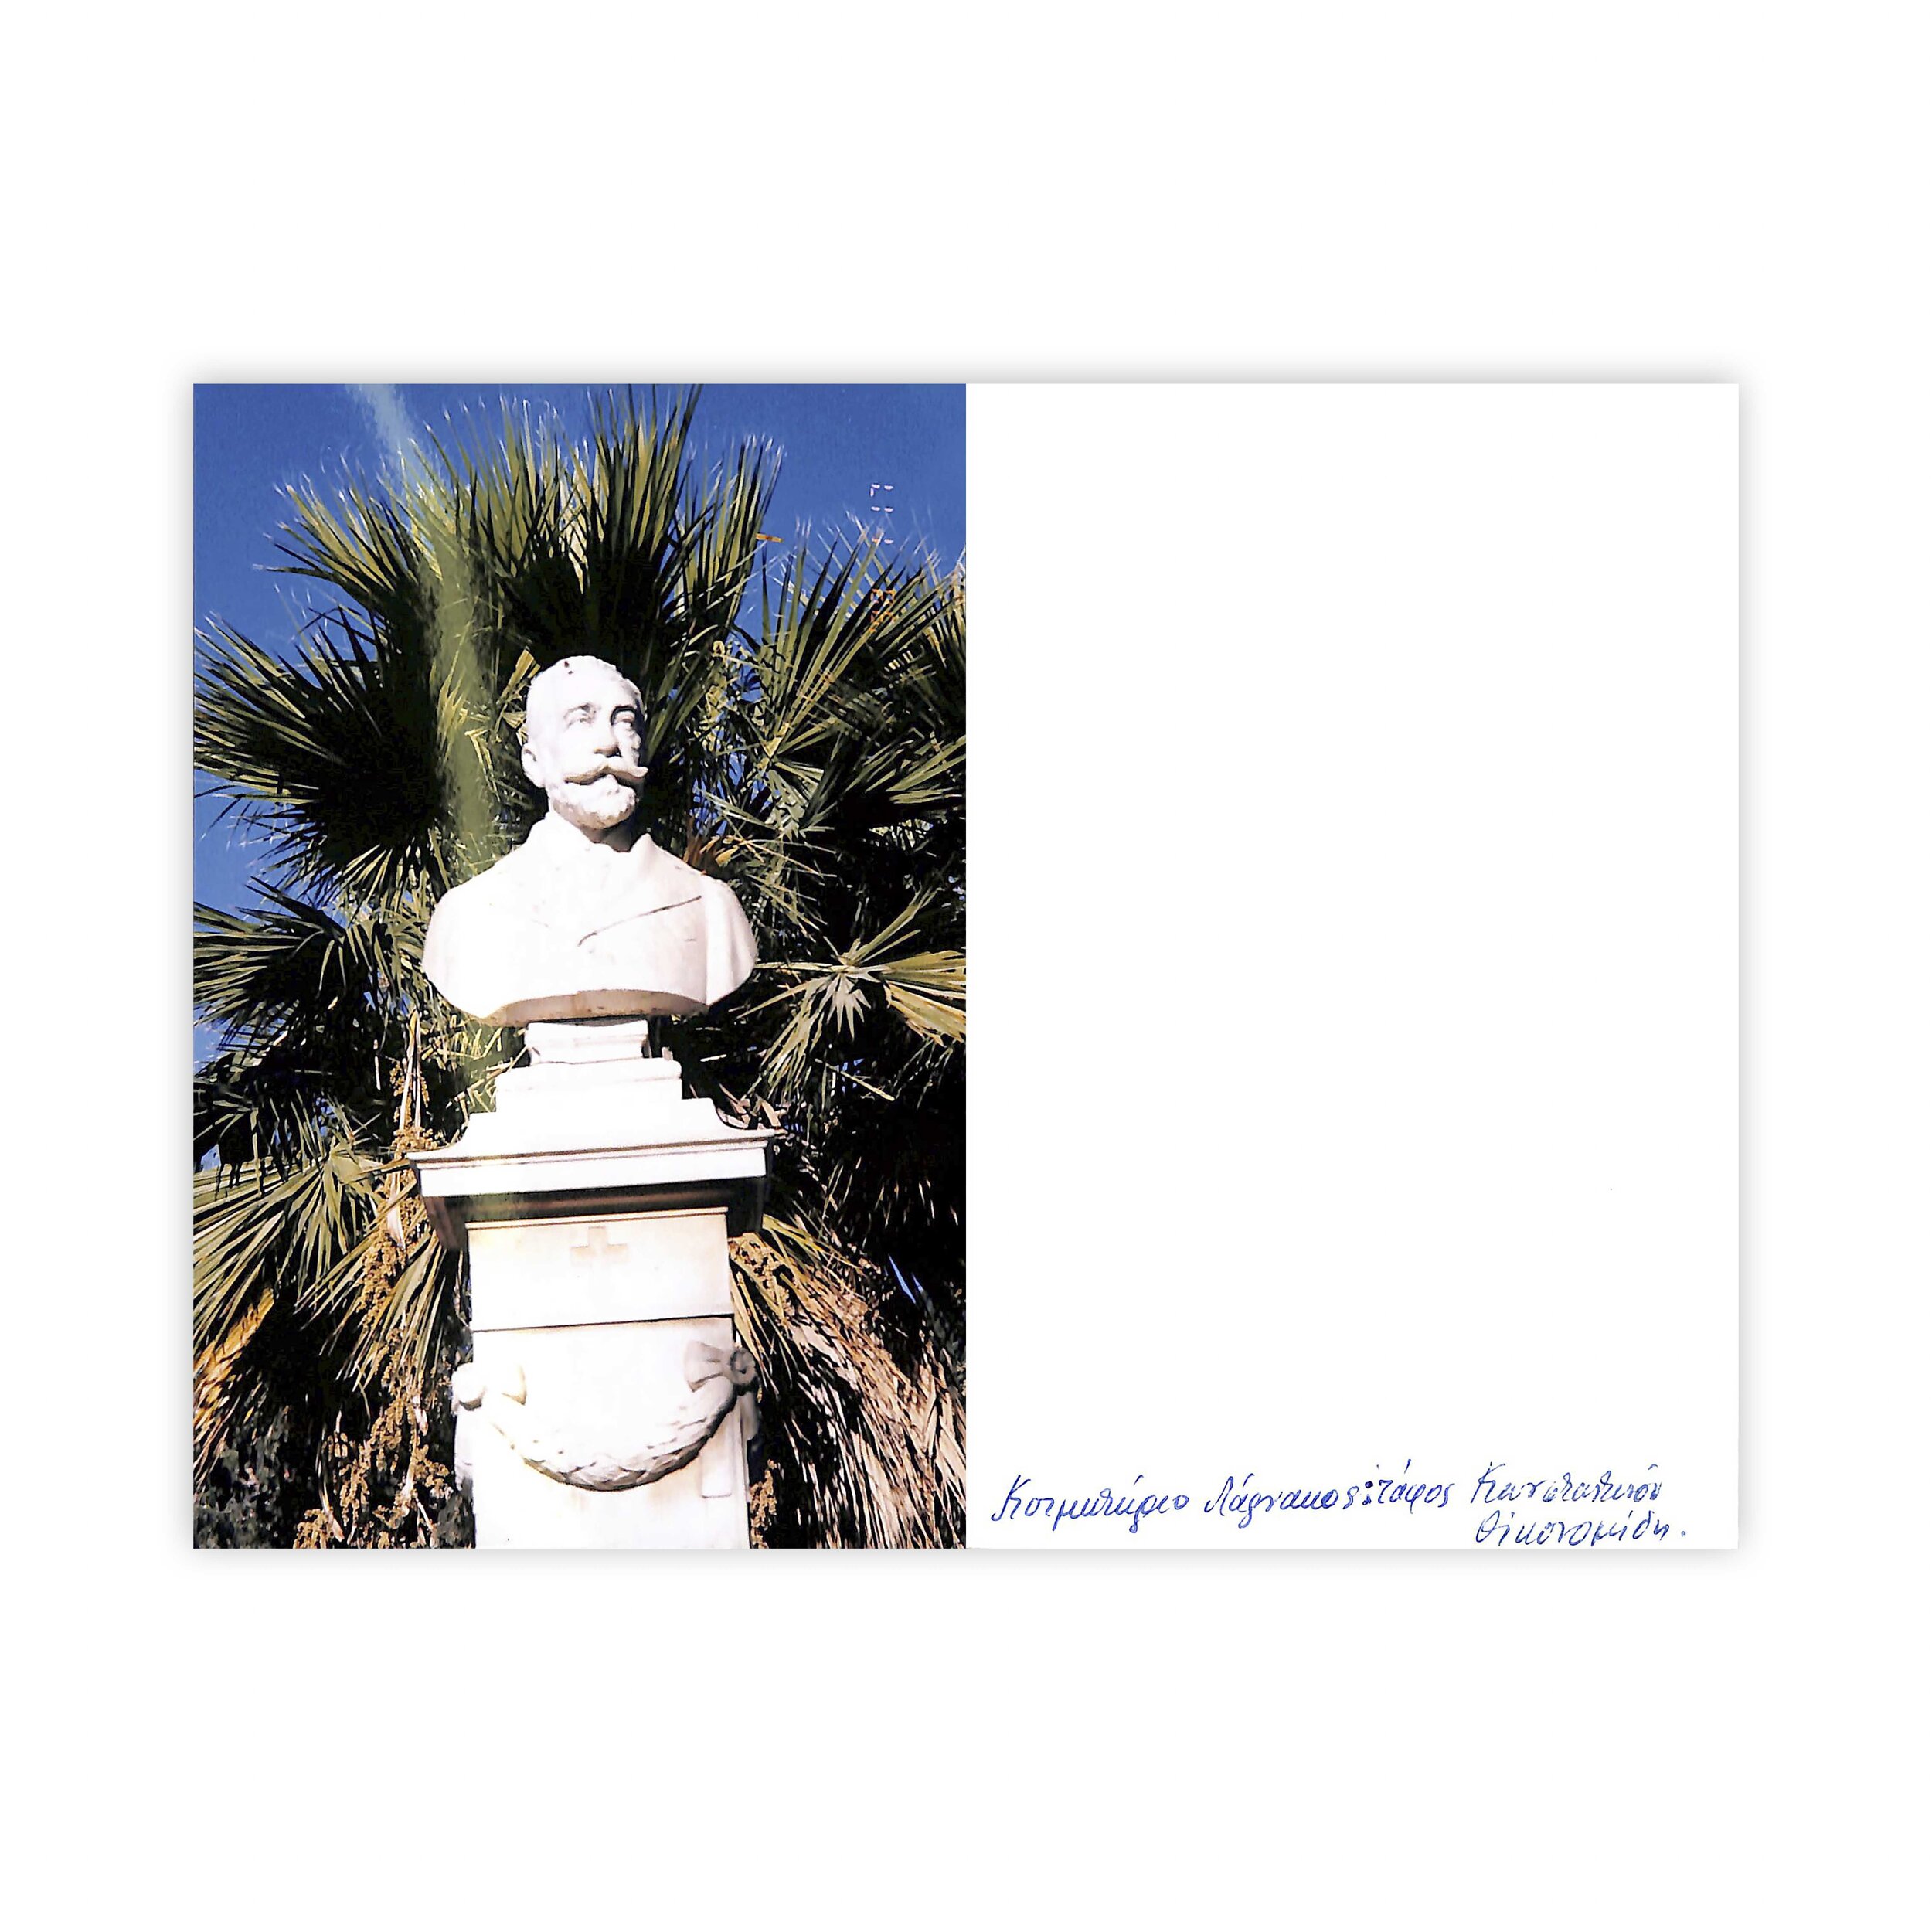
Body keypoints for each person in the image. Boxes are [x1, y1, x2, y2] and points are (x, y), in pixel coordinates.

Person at [421, 655, 757, 1027]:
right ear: (533, 762)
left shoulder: (712, 910)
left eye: (625, 722)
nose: (609, 744)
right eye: (581, 720)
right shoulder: (470, 916)